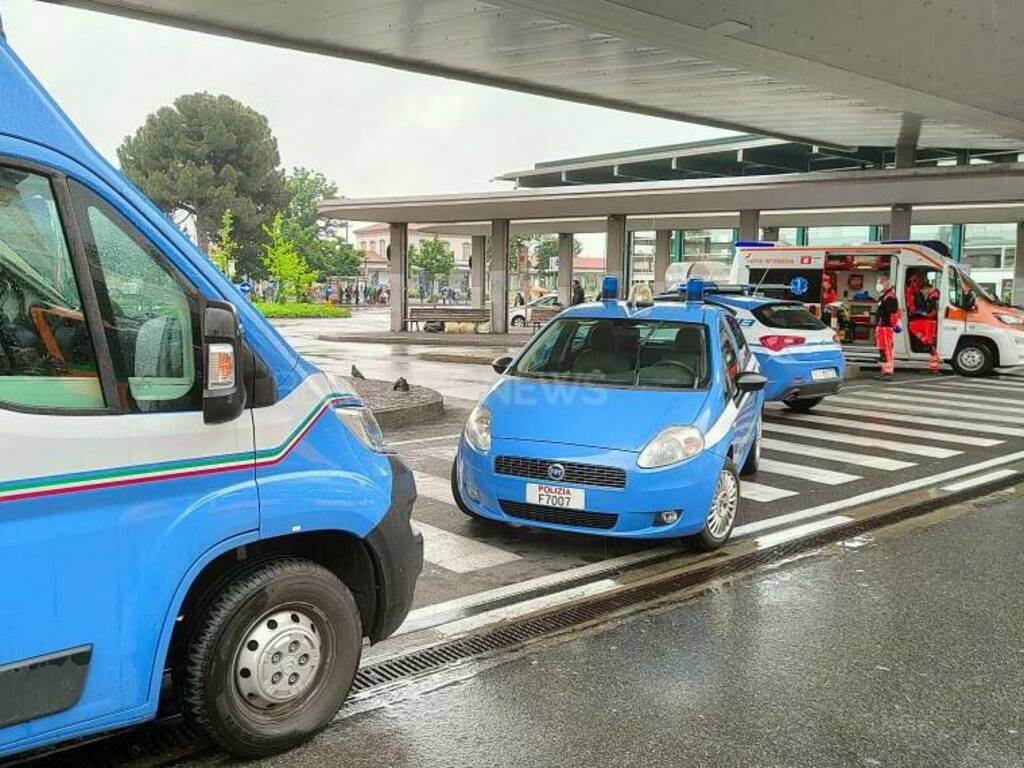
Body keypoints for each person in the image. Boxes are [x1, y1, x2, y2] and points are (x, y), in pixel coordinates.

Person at [875, 275, 901, 377]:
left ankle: (888, 371)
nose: (879, 285)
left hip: (886, 327)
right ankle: (885, 369)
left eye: (881, 283)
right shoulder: (885, 295)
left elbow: (893, 314)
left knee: (887, 349)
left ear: (887, 284)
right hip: (882, 327)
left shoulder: (890, 297)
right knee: (883, 348)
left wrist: (893, 325)